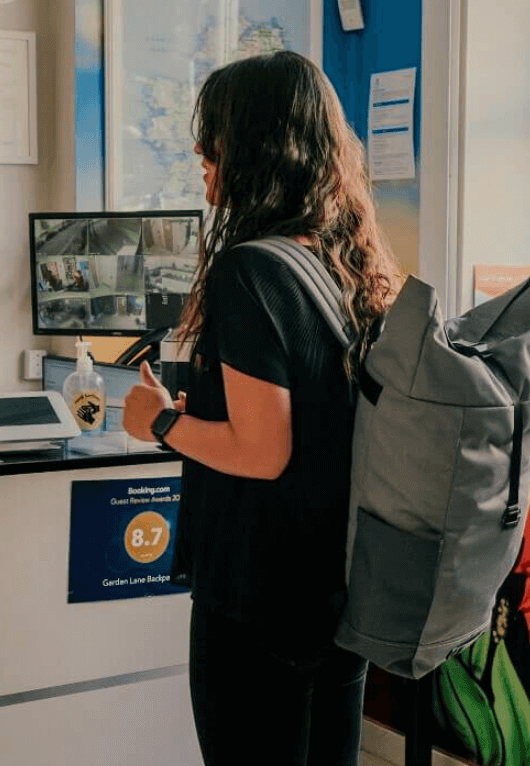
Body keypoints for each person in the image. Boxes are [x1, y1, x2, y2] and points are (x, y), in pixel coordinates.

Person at [122, 51, 400, 766]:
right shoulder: (338, 263)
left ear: (255, 147)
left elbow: (261, 450)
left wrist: (159, 422)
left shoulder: (251, 269)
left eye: (214, 134)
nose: (199, 152)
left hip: (258, 605)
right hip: (331, 597)